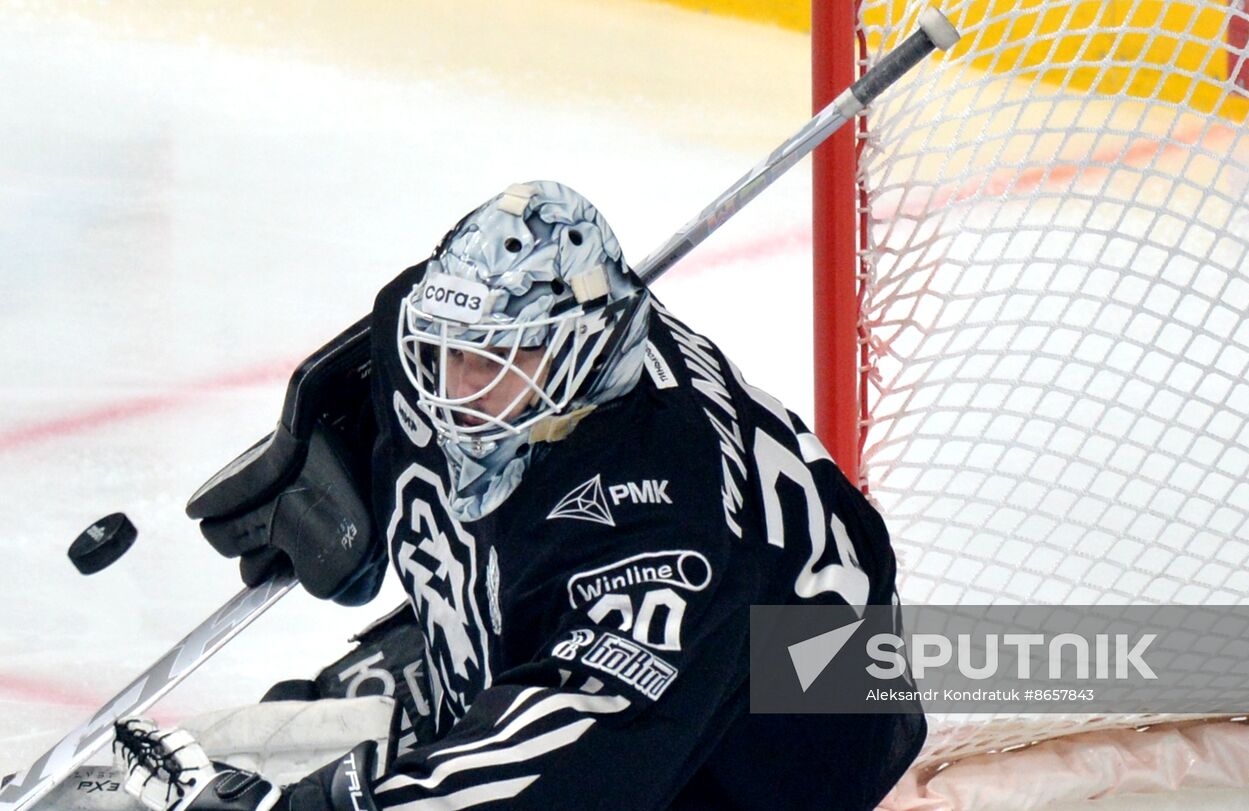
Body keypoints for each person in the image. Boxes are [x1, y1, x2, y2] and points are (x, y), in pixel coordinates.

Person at [115, 181, 926, 811]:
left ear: (574, 354)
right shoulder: (474, 339)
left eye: (492, 363)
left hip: (810, 709)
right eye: (450, 353)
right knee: (320, 726)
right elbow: (403, 354)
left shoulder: (667, 528)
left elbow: (571, 764)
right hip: (719, 626)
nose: (455, 390)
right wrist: (329, 447)